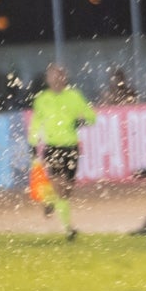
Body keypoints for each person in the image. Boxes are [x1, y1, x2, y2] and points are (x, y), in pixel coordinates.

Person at [28, 63, 97, 241]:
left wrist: (81, 121)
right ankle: (68, 230)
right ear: (47, 79)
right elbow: (36, 122)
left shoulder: (74, 96)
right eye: (53, 76)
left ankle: (50, 200)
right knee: (60, 186)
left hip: (71, 148)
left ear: (65, 78)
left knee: (66, 191)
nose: (57, 79)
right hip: (52, 148)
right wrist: (33, 143)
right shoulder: (42, 99)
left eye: (60, 76)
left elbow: (91, 116)